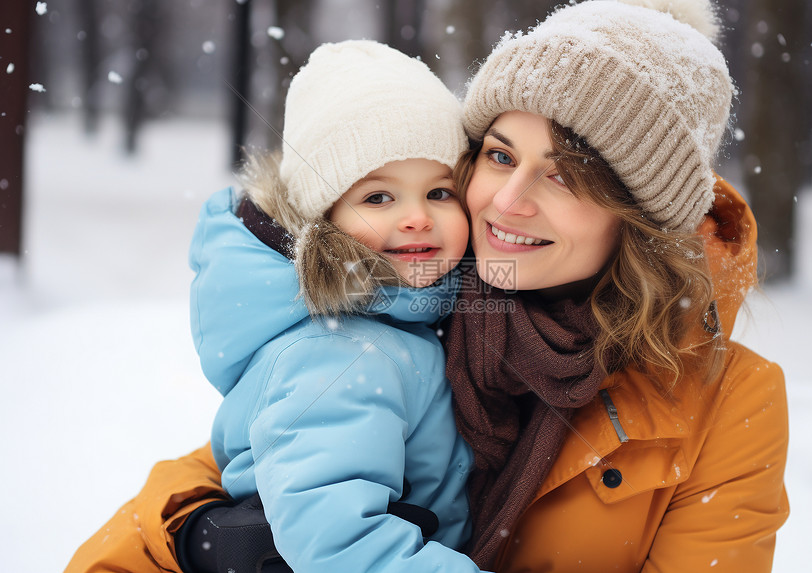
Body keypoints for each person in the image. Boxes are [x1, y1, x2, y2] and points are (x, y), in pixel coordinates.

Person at [66, 1, 789, 572]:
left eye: (567, 175)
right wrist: (197, 533)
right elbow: (206, 484)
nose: (507, 201)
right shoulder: (416, 303)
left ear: (639, 218)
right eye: (500, 154)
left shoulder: (727, 406)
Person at [66, 39, 493, 573]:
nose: (416, 217)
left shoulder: (397, 323)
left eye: (439, 192)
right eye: (378, 197)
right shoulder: (338, 353)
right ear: (323, 218)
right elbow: (339, 543)